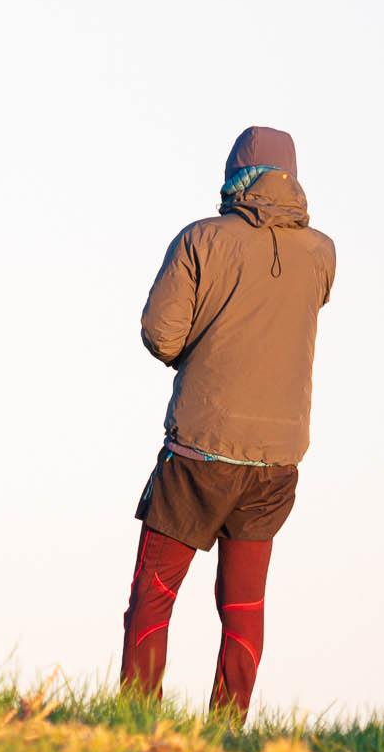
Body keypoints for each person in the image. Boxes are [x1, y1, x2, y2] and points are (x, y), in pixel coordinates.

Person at [119, 126, 335, 719]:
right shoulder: (322, 252)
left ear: (234, 173)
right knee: (243, 608)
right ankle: (226, 735)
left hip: (199, 452)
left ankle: (138, 727)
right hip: (276, 462)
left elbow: (160, 334)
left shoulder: (200, 240)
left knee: (152, 599)